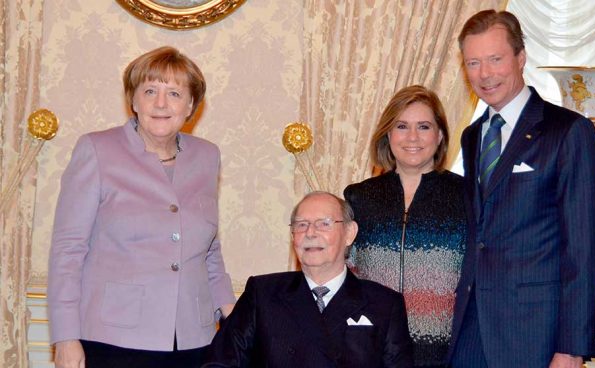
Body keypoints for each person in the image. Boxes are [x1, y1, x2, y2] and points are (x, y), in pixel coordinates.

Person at [47, 46, 236, 368]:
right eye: (150, 91)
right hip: (114, 339)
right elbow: (68, 250)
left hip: (195, 338)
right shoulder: (96, 149)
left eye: (174, 93)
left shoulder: (207, 156)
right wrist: (65, 337)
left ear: (191, 105)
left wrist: (233, 319)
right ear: (133, 100)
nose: (161, 104)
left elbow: (208, 250)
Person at [448, 10, 595, 368]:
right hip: (472, 328)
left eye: (495, 59)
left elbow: (585, 249)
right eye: (473, 62)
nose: (484, 74)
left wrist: (571, 349)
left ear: (521, 58)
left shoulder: (568, 132)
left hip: (536, 335)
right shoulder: (473, 136)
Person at [205, 192, 414, 368]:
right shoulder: (262, 293)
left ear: (349, 233)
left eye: (324, 224)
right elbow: (221, 362)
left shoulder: (384, 304)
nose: (310, 233)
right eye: (301, 225)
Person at [343, 85, 466, 368]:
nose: (412, 137)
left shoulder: (467, 197)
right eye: (402, 126)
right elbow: (345, 278)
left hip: (445, 356)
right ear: (388, 134)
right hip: (369, 352)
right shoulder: (359, 197)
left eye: (424, 126)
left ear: (440, 136)